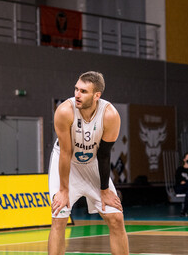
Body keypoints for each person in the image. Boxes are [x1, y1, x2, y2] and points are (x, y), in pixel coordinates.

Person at [48, 71, 129, 255]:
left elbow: (104, 154)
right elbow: (66, 153)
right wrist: (63, 190)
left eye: (83, 91)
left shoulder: (110, 115)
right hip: (67, 163)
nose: (77, 94)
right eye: (76, 89)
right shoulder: (64, 111)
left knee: (116, 218)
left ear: (96, 95)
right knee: (59, 218)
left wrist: (104, 189)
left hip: (94, 162)